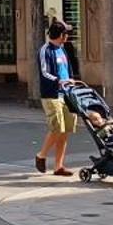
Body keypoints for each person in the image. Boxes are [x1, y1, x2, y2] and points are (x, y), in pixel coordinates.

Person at [34, 22, 77, 177]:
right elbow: (44, 72)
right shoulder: (45, 50)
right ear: (60, 35)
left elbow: (68, 69)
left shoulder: (62, 49)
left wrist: (71, 80)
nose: (67, 36)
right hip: (52, 94)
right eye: (66, 34)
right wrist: (58, 80)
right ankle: (41, 155)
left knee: (65, 130)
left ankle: (58, 166)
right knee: (57, 127)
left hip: (67, 93)